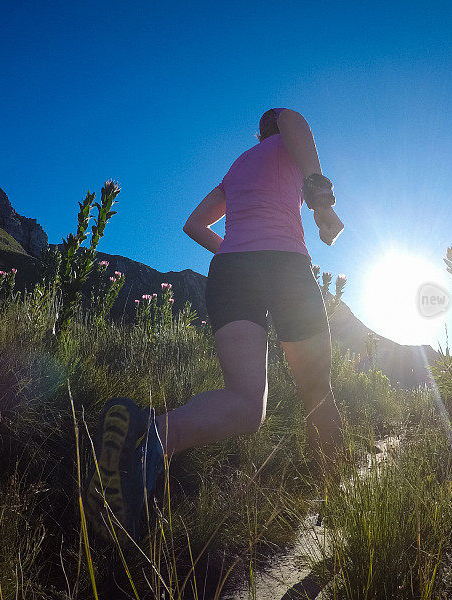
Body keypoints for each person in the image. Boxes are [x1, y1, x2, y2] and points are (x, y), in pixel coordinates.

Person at [86, 108, 345, 542]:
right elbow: (295, 120)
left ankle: (151, 436)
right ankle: (338, 503)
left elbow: (193, 225)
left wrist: (234, 249)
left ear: (254, 134)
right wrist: (320, 203)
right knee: (318, 390)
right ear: (273, 129)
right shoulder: (288, 136)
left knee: (246, 404)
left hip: (230, 272)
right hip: (283, 264)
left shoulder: (237, 167)